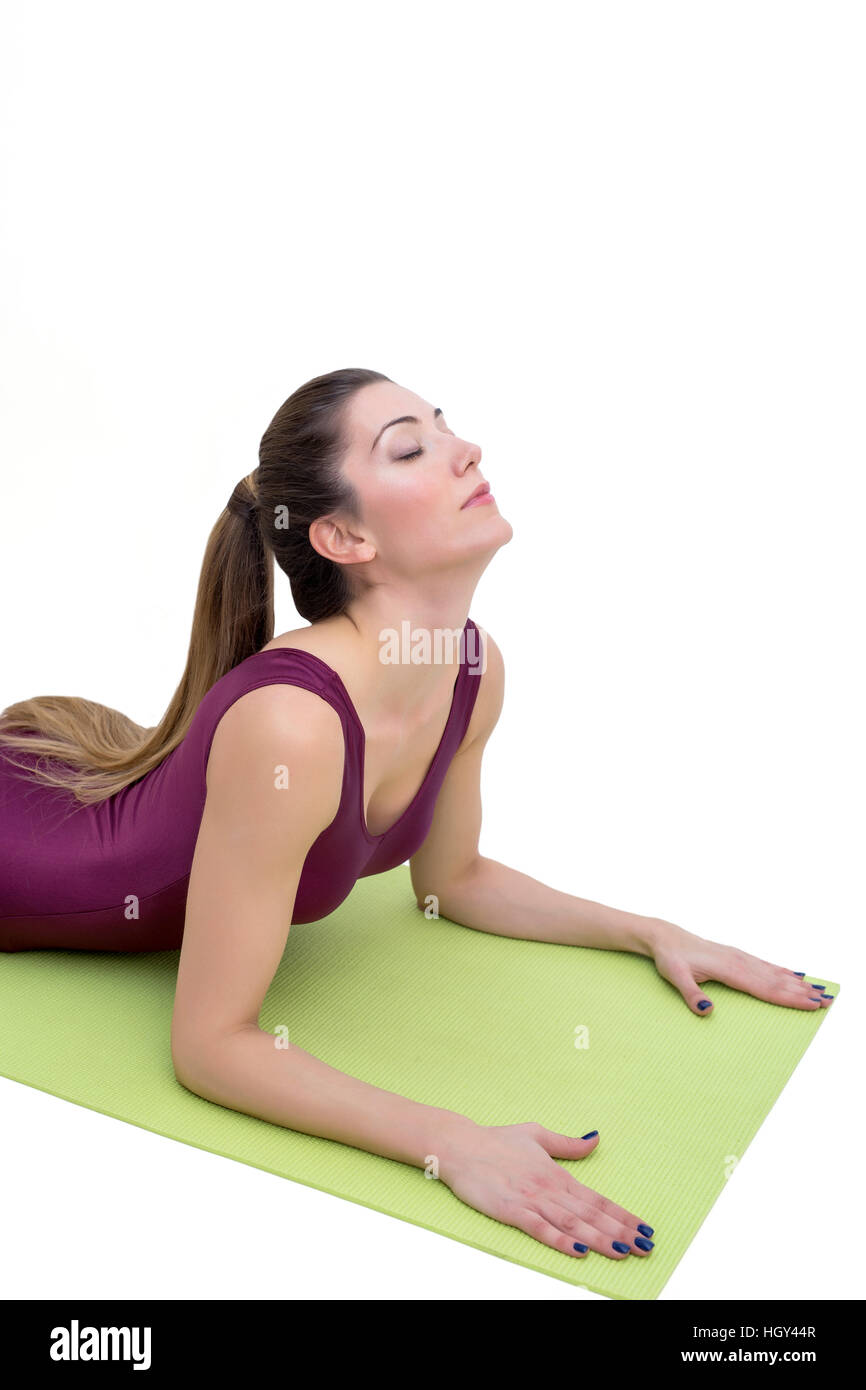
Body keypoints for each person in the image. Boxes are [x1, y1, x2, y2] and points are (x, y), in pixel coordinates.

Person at [0, 367, 832, 1266]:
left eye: (445, 427)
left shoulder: (472, 670)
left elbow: (454, 881)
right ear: (342, 536)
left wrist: (649, 931)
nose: (466, 449)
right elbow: (210, 1046)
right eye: (412, 446)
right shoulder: (293, 727)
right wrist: (453, 1141)